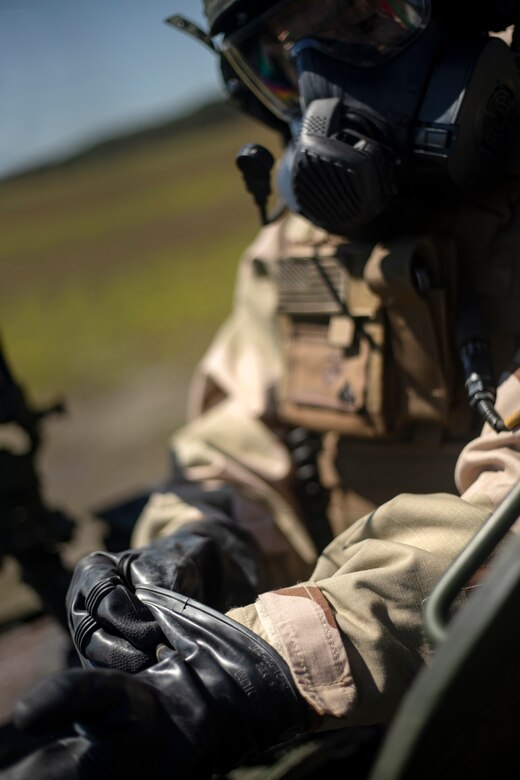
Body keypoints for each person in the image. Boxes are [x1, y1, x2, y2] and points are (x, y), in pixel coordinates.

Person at [2, 1, 520, 778]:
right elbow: (239, 441)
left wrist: (259, 666)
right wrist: (204, 542)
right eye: (282, 59)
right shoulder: (299, 253)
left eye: (361, 23)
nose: (323, 89)